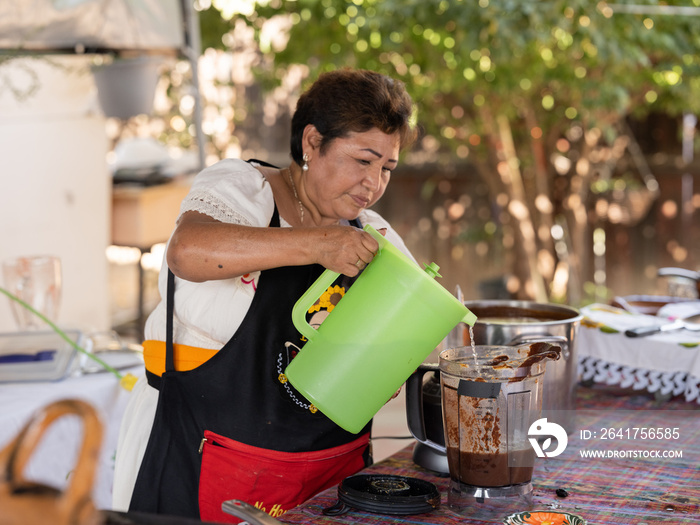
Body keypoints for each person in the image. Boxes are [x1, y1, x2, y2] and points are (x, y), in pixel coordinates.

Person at [112, 68, 418, 522]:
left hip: (322, 481)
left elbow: (417, 325)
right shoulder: (242, 189)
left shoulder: (373, 237)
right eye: (363, 160)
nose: (374, 183)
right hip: (200, 462)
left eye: (387, 168)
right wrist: (316, 243)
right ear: (312, 143)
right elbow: (187, 252)